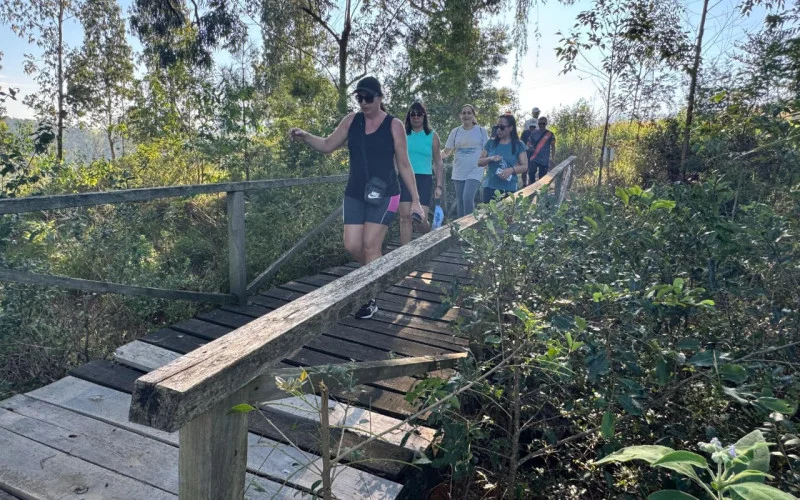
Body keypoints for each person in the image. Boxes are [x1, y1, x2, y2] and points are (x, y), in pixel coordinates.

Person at [289, 76, 424, 319]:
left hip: (385, 193)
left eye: (368, 98)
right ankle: (378, 272)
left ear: (380, 98)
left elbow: (404, 164)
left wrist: (415, 199)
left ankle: (368, 297)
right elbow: (329, 144)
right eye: (359, 98)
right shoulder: (351, 121)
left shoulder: (394, 125)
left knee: (371, 245)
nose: (363, 103)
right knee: (352, 245)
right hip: (356, 191)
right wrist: (307, 136)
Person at [398, 101, 443, 244]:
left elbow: (438, 162)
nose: (416, 117)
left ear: (424, 116)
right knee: (405, 217)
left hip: (424, 178)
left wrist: (439, 186)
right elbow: (394, 157)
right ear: (409, 117)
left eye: (419, 114)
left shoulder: (432, 136)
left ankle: (430, 235)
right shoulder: (403, 134)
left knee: (419, 218)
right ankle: (404, 258)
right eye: (412, 114)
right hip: (404, 177)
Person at [441, 104, 489, 218]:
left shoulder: (481, 131)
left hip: (475, 170)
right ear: (460, 116)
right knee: (460, 201)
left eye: (469, 113)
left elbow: (487, 151)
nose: (466, 115)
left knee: (467, 198)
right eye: (464, 113)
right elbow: (446, 152)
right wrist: (433, 156)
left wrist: (489, 166)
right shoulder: (455, 132)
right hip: (459, 171)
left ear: (473, 115)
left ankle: (470, 228)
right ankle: (461, 231)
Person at [477, 114, 527, 203]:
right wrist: (490, 158)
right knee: (489, 216)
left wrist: (511, 170)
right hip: (490, 188)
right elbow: (479, 162)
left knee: (507, 216)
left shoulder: (518, 145)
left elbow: (524, 166)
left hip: (509, 190)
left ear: (511, 128)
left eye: (502, 127)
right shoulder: (491, 143)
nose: (499, 130)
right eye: (497, 127)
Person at [525, 116, 556, 185]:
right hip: (534, 158)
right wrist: (530, 146)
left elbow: (553, 146)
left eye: (543, 123)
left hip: (544, 159)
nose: (541, 125)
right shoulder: (533, 133)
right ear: (538, 124)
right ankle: (531, 192)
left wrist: (553, 158)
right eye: (540, 123)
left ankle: (541, 193)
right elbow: (529, 142)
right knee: (531, 174)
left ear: (546, 124)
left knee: (542, 178)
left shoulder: (550, 134)